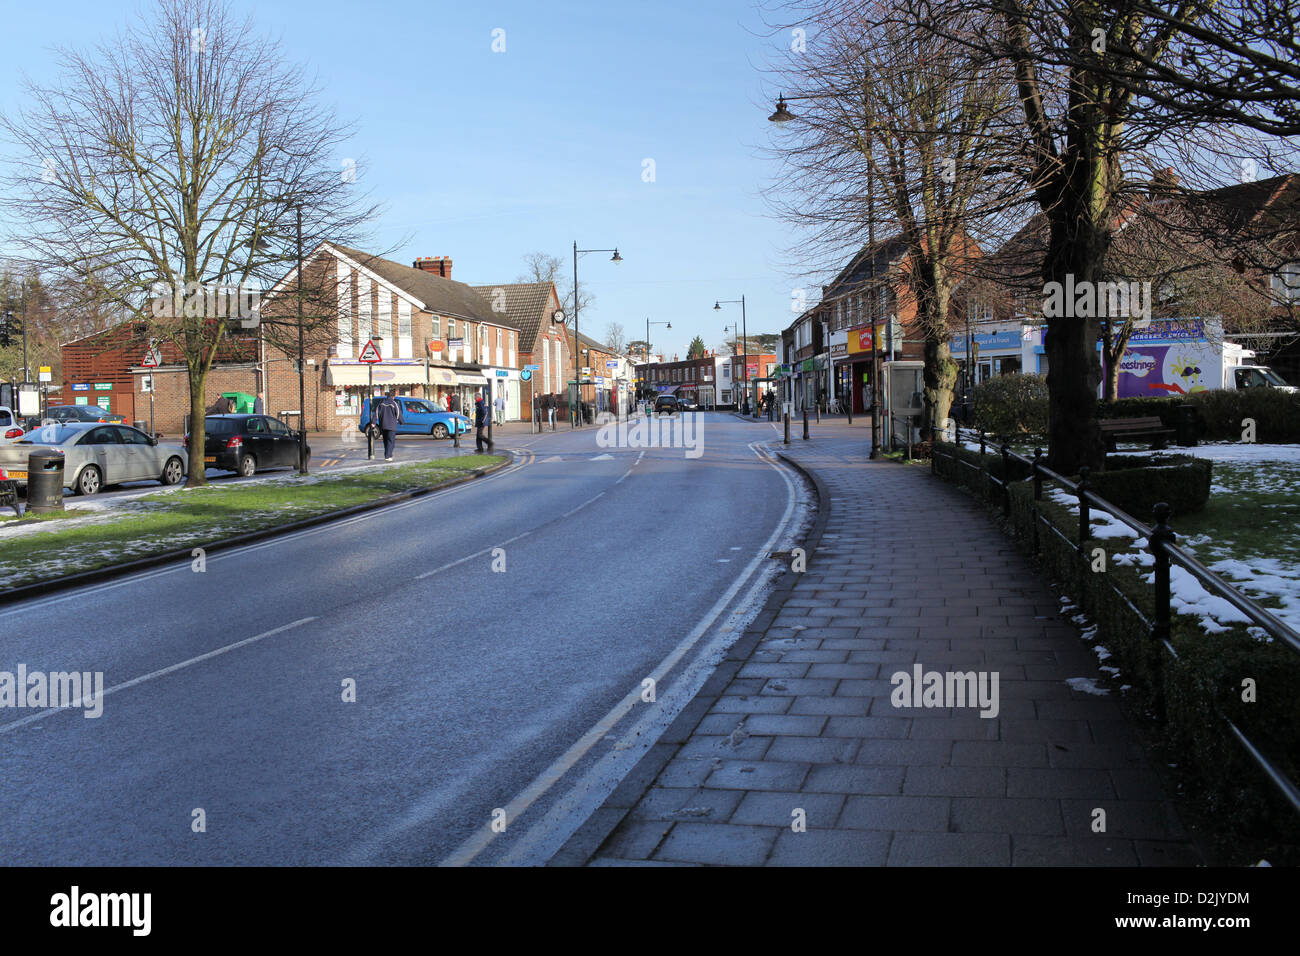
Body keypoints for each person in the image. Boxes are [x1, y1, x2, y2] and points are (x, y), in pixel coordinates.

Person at [372, 388, 403, 461]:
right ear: (393, 397)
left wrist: (373, 422)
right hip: (392, 426)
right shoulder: (394, 404)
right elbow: (398, 414)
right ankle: (388, 456)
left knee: (385, 441)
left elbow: (376, 413)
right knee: (391, 441)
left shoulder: (381, 403)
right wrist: (401, 422)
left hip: (383, 425)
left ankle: (387, 455)